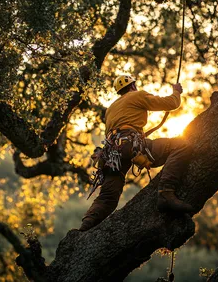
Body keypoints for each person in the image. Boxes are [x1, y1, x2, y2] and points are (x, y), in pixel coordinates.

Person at [79, 75, 193, 231]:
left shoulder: (111, 108)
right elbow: (171, 103)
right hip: (129, 144)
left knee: (107, 197)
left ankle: (87, 222)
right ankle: (166, 193)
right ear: (132, 86)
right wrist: (176, 92)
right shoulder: (137, 95)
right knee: (180, 146)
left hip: (110, 153)